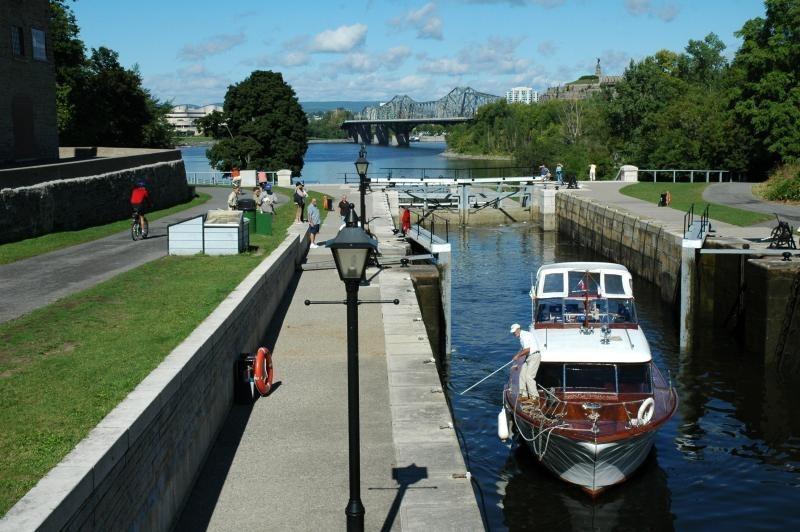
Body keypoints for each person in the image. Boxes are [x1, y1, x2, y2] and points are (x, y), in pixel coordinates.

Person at [510, 323, 541, 398]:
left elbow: (527, 350)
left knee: (529, 377)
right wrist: (517, 357)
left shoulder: (524, 336)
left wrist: (517, 356)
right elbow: (525, 350)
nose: (514, 333)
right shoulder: (522, 336)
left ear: (518, 329)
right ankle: (523, 395)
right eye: (513, 332)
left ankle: (534, 397)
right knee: (522, 375)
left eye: (514, 331)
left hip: (534, 356)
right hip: (529, 357)